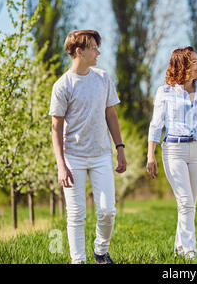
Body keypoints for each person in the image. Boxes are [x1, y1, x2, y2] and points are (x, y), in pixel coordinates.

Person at [49, 30, 127, 264]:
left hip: (101, 154)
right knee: (76, 214)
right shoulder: (62, 86)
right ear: (79, 51)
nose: (98, 52)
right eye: (94, 48)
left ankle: (101, 251)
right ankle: (78, 260)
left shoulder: (102, 78)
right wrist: (61, 166)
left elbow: (111, 114)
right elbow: (55, 128)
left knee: (107, 211)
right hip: (74, 157)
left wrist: (120, 147)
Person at [146, 46, 197, 259]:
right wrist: (150, 155)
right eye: (194, 62)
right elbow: (156, 125)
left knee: (189, 204)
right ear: (183, 66)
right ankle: (190, 251)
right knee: (185, 202)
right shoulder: (164, 92)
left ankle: (179, 248)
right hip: (174, 150)